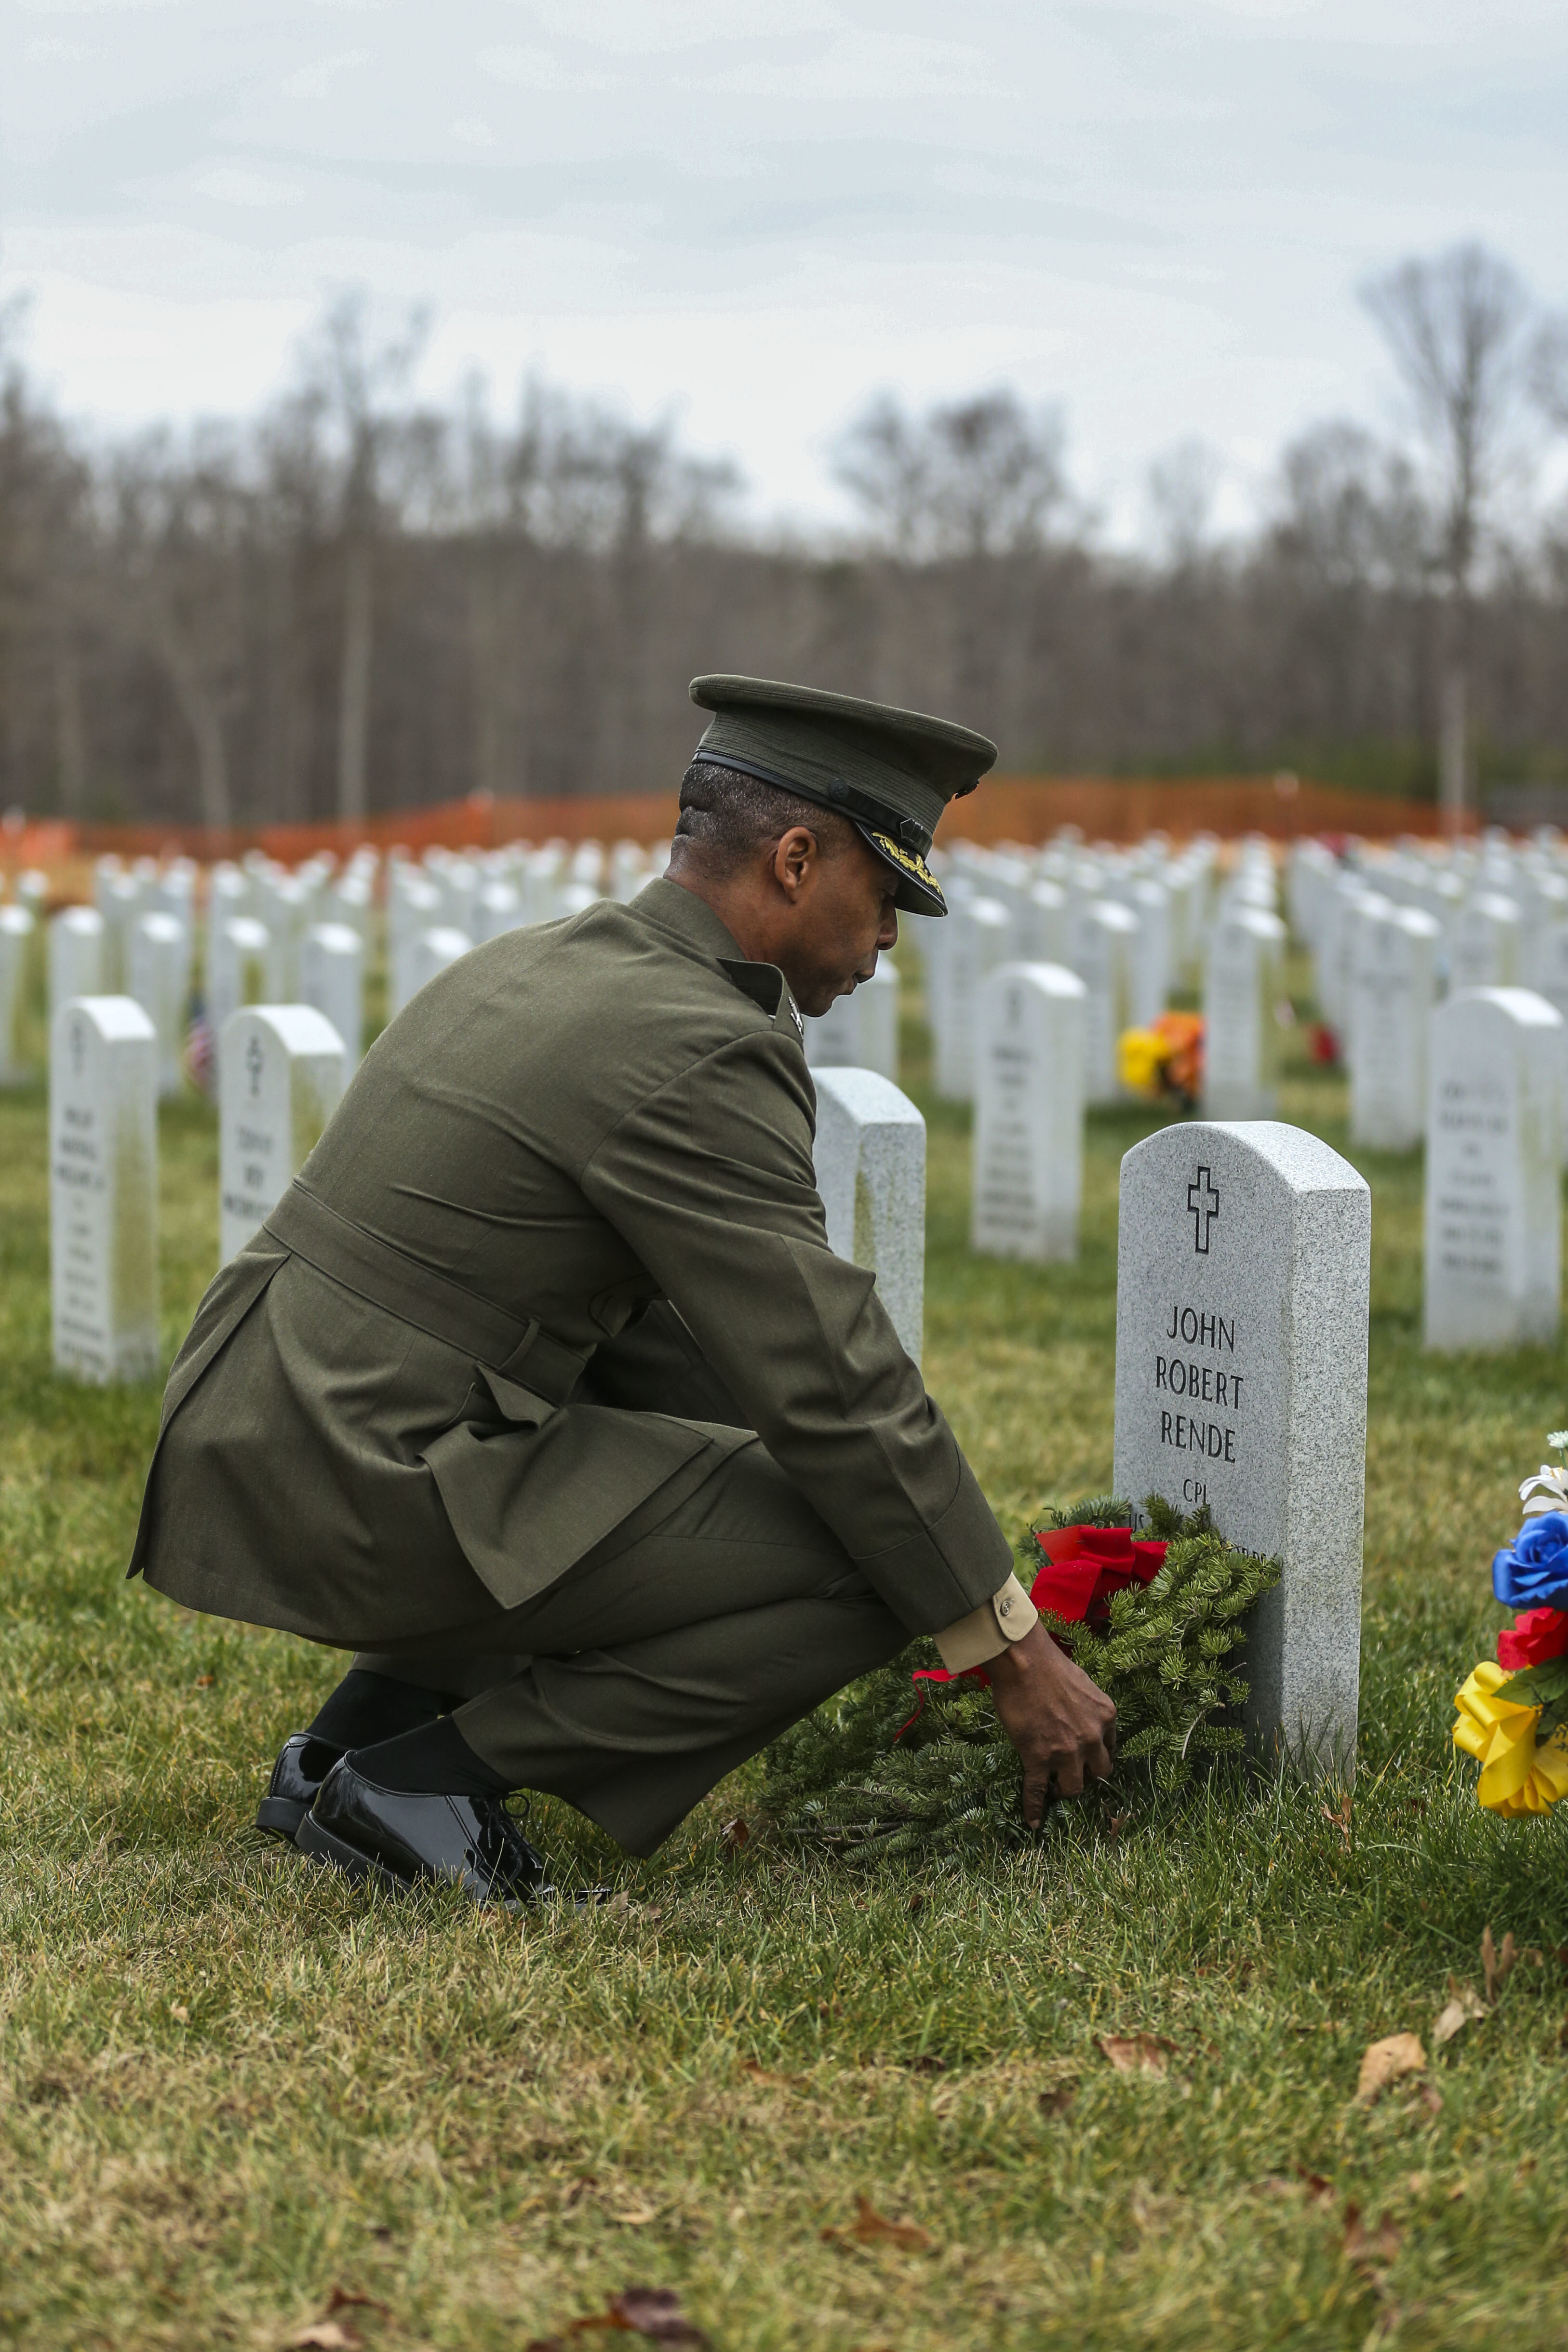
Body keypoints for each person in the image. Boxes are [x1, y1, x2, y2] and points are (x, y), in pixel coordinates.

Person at [129, 675, 1115, 1905]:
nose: (889, 941)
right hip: (360, 1469)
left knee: (771, 1484)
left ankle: (341, 1752)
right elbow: (829, 1376)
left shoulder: (547, 959)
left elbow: (660, 1341)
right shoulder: (702, 1042)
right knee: (866, 1568)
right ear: (796, 861)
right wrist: (1004, 1639)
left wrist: (813, 1486)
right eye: (884, 895)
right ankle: (423, 1784)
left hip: (259, 1422)